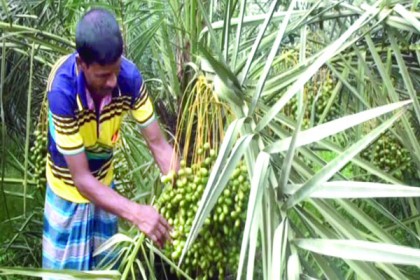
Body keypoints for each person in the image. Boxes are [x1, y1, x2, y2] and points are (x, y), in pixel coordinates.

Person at [42, 8, 177, 271]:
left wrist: (181, 187)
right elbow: (81, 180)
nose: (113, 81)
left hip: (105, 188)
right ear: (82, 64)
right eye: (103, 75)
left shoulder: (129, 79)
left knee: (107, 272)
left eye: (116, 70)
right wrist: (136, 213)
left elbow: (159, 145)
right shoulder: (63, 91)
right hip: (67, 194)